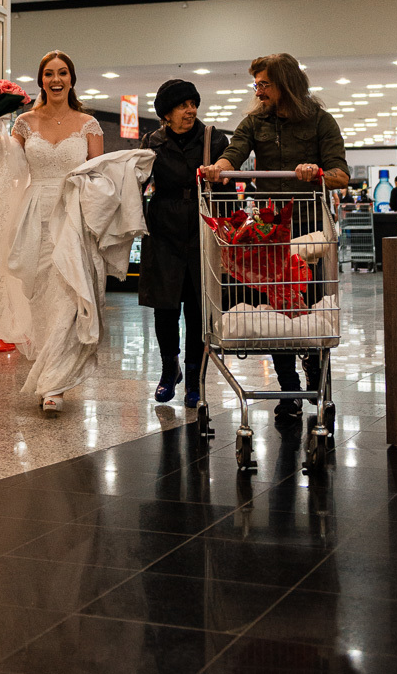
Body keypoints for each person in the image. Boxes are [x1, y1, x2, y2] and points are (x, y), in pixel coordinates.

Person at [0, 50, 153, 413]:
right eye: (49, 73)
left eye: (62, 72)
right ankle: (50, 369)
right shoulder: (24, 123)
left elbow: (98, 176)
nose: (56, 79)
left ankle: (54, 385)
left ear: (71, 78)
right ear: (41, 79)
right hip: (34, 215)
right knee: (41, 298)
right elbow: (10, 162)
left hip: (74, 215)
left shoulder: (88, 124)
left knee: (70, 294)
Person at [200, 52, 350, 425]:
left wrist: (316, 172)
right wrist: (219, 170)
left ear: (285, 84)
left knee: (311, 308)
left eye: (264, 83)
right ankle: (289, 389)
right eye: (257, 84)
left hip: (311, 230)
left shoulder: (320, 121)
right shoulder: (255, 121)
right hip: (269, 231)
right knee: (275, 315)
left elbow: (341, 175)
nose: (258, 90)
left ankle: (316, 373)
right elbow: (233, 153)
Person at [139, 79, 228, 406]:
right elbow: (137, 182)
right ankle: (168, 369)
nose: (190, 110)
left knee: (196, 308)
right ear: (166, 113)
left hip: (201, 227)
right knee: (164, 307)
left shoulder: (213, 139)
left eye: (193, 103)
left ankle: (194, 377)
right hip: (162, 228)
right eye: (181, 105)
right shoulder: (152, 142)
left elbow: (229, 192)